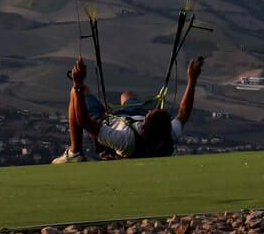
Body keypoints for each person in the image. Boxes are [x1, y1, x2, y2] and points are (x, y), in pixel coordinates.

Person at [55, 55, 204, 162]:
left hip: (111, 122)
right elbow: (184, 113)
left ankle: (75, 151)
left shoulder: (125, 141)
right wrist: (192, 80)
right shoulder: (168, 134)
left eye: (149, 114)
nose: (150, 111)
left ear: (144, 128)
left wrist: (78, 84)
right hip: (132, 117)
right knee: (127, 95)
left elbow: (85, 122)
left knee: (76, 94)